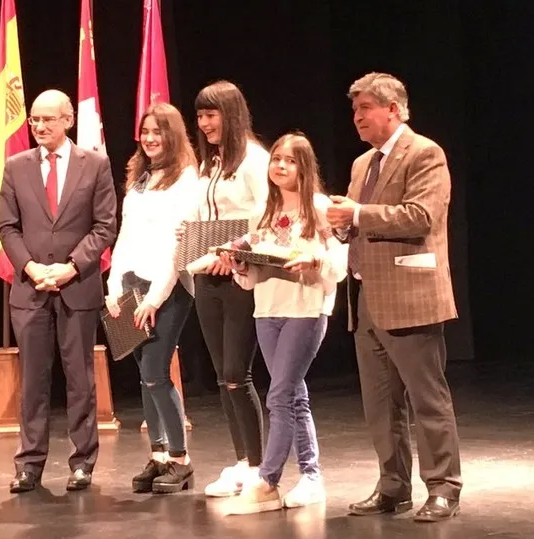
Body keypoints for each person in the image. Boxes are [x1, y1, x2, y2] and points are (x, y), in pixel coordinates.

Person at [326, 72, 462, 522]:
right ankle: (392, 486)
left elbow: (421, 216)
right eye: (354, 110)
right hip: (367, 297)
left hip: (411, 295)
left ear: (394, 109)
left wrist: (357, 214)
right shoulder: (362, 164)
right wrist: (339, 223)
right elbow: (356, 223)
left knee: (427, 399)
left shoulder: (424, 153)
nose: (357, 117)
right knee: (380, 404)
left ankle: (443, 487)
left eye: (365, 108)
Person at [218, 133, 347, 514]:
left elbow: (341, 262)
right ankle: (311, 477)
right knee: (293, 395)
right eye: (277, 158)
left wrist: (315, 261)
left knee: (278, 395)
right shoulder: (262, 212)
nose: (281, 166)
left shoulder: (320, 208)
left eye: (290, 160)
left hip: (305, 309)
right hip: (267, 309)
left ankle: (267, 481)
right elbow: (253, 276)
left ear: (304, 167)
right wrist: (240, 265)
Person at [0, 89, 117, 493]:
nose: (39, 126)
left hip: (77, 287)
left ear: (68, 120)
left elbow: (105, 226)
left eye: (48, 119)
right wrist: (31, 268)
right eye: (34, 119)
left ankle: (82, 462)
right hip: (30, 289)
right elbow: (7, 227)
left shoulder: (95, 165)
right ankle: (29, 464)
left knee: (80, 379)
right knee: (33, 380)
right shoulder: (16, 166)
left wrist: (70, 267)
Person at [104, 103, 200, 494]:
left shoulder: (187, 179)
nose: (149, 138)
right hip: (131, 284)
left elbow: (179, 247)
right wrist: (113, 286)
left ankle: (180, 459)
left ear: (172, 134)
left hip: (167, 288)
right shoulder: (140, 179)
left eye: (157, 131)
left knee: (157, 372)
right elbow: (125, 235)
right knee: (145, 377)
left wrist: (156, 298)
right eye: (145, 131)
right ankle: (158, 455)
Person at [185, 80, 270, 497]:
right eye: (200, 116)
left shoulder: (255, 160)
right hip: (207, 276)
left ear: (231, 114)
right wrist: (191, 237)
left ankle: (259, 466)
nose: (204, 124)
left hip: (241, 276)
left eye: (211, 114)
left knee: (238, 372)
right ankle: (242, 461)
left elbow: (268, 218)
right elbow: (204, 219)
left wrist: (235, 250)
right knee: (223, 376)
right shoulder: (209, 164)